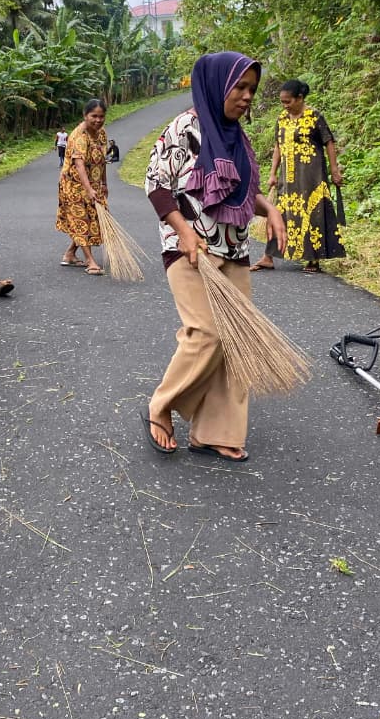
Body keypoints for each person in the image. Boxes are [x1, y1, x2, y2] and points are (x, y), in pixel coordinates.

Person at [142, 51, 286, 461]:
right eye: (239, 87)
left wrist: (271, 210)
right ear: (217, 84)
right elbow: (157, 186)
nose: (246, 97)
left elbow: (241, 191)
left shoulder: (236, 137)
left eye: (252, 90)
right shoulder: (185, 127)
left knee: (237, 341)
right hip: (190, 251)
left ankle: (214, 431)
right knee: (206, 333)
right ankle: (161, 404)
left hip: (235, 250)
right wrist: (184, 232)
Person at [252, 80, 344, 273]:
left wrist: (334, 169)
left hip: (312, 176)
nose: (285, 105)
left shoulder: (315, 117)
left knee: (313, 212)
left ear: (300, 98)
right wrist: (272, 173)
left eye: (288, 101)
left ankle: (313, 259)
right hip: (289, 177)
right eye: (282, 102)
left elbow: (329, 142)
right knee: (279, 214)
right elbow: (278, 146)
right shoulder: (282, 119)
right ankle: (268, 257)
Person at [56, 99, 108, 274]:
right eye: (94, 116)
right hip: (74, 185)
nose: (98, 120)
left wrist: (104, 184)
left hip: (94, 184)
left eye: (101, 116)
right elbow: (79, 165)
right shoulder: (79, 136)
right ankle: (90, 261)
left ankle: (70, 254)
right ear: (85, 115)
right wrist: (88, 189)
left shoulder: (101, 134)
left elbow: (102, 161)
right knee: (82, 221)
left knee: (95, 219)